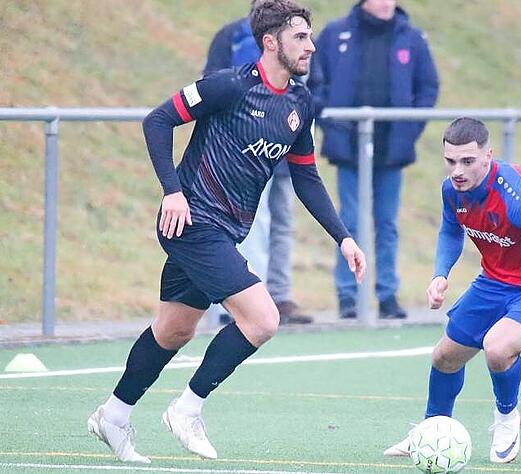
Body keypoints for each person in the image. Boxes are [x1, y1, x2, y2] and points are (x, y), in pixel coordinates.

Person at [86, 0, 366, 463]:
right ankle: (187, 408)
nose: (311, 46)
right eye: (300, 37)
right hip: (192, 223)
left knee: (174, 331)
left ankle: (113, 416)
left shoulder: (300, 103)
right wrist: (172, 191)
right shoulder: (229, 85)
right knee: (263, 319)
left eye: (310, 36)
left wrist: (344, 237)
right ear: (270, 42)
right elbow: (158, 120)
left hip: (226, 231)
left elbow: (306, 177)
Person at [383, 118, 521, 464]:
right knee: (445, 357)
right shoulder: (452, 190)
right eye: (450, 161)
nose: (457, 171)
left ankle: (507, 418)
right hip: (495, 281)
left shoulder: (520, 198)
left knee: (498, 348)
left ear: (488, 156)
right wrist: (440, 275)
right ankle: (431, 430)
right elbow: (451, 231)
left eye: (467, 161)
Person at [307, 0, 439, 319]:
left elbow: (428, 87)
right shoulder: (335, 34)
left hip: (391, 148)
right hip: (348, 146)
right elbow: (315, 83)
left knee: (387, 223)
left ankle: (387, 294)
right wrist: (330, 123)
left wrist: (409, 129)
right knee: (348, 221)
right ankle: (348, 295)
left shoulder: (412, 38)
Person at [202, 0, 312, 325]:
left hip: (283, 148)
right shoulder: (232, 36)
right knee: (251, 224)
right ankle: (240, 303)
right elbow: (211, 88)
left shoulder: (299, 38)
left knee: (282, 223)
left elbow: (309, 84)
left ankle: (279, 296)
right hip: (244, 156)